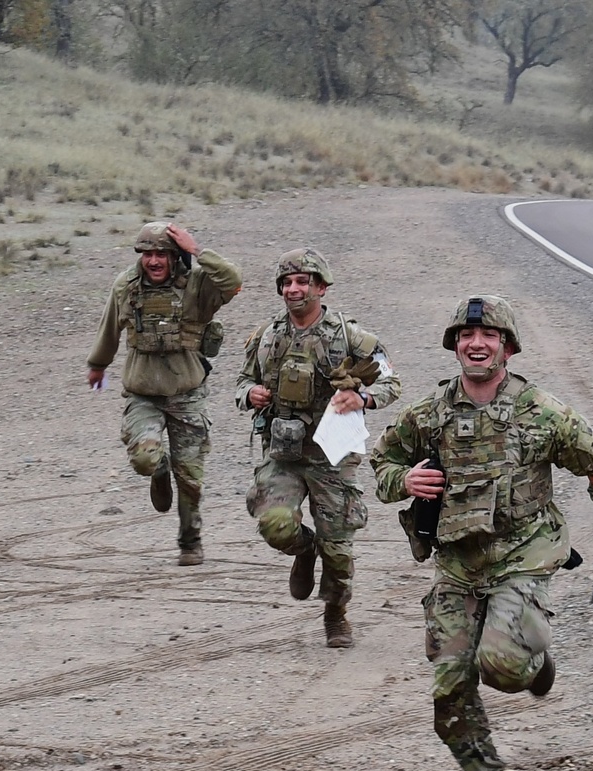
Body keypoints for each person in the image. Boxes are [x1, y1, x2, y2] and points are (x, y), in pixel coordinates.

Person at [370, 295, 593, 771]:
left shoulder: (542, 412)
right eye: (467, 337)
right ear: (455, 346)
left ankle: (535, 666)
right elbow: (382, 464)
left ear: (508, 348)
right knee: (448, 687)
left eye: (488, 336)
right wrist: (403, 479)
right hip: (457, 560)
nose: (476, 344)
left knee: (503, 667)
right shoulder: (429, 414)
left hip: (525, 552)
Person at [236, 248, 401, 647]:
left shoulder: (350, 337)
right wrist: (251, 394)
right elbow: (241, 383)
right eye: (287, 283)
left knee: (339, 549)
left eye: (303, 282)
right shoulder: (266, 336)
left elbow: (391, 383)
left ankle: (336, 612)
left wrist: (363, 399)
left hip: (333, 455)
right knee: (275, 525)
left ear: (321, 287)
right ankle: (304, 549)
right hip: (283, 454)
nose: (294, 289)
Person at [87, 221, 242, 566]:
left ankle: (190, 543)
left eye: (162, 254)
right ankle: (159, 469)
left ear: (176, 257)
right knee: (145, 458)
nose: (154, 261)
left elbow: (233, 280)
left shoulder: (198, 286)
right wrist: (97, 365)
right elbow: (110, 327)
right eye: (147, 254)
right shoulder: (126, 286)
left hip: (187, 394)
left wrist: (197, 250)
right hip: (143, 393)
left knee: (190, 480)